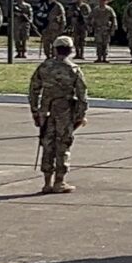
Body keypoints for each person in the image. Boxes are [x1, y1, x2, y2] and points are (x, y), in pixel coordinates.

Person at [28, 36, 89, 194]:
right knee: (63, 144)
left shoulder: (44, 67)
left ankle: (47, 182)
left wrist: (35, 111)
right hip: (65, 112)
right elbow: (82, 96)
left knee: (47, 144)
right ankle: (59, 182)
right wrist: (80, 116)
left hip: (46, 111)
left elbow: (34, 90)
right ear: (70, 51)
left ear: (55, 49)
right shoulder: (73, 69)